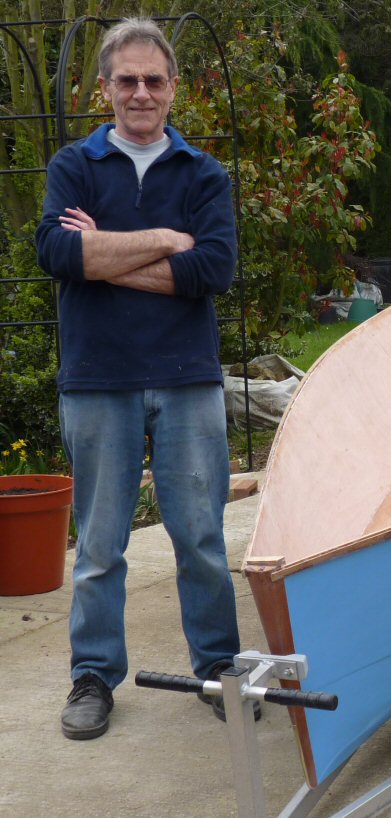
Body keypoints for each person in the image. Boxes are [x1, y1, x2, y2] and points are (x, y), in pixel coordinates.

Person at [35, 18, 245, 740]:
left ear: (174, 87)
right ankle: (93, 677)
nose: (141, 93)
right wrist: (162, 241)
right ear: (105, 88)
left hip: (188, 380)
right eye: (126, 80)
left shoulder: (203, 174)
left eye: (154, 80)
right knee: (99, 549)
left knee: (202, 540)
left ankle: (219, 669)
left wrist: (104, 255)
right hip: (99, 380)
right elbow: (59, 256)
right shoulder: (74, 166)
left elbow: (212, 269)